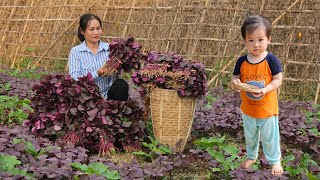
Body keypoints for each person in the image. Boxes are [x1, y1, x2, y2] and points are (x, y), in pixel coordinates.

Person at [231, 14, 283, 176]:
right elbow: (235, 78)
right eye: (251, 40)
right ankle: (251, 156)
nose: (256, 44)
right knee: (251, 136)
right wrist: (236, 84)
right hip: (248, 109)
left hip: (266, 109)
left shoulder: (271, 60)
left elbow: (278, 79)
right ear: (245, 41)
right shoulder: (242, 61)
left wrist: (266, 89)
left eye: (260, 40)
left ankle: (275, 161)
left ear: (269, 39)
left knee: (270, 138)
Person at [68, 13, 113, 99]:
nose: (96, 32)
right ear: (82, 31)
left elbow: (115, 80)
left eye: (98, 28)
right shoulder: (76, 51)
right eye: (91, 29)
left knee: (122, 85)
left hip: (109, 95)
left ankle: (117, 110)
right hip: (87, 97)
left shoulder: (110, 48)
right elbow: (75, 79)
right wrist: (97, 73)